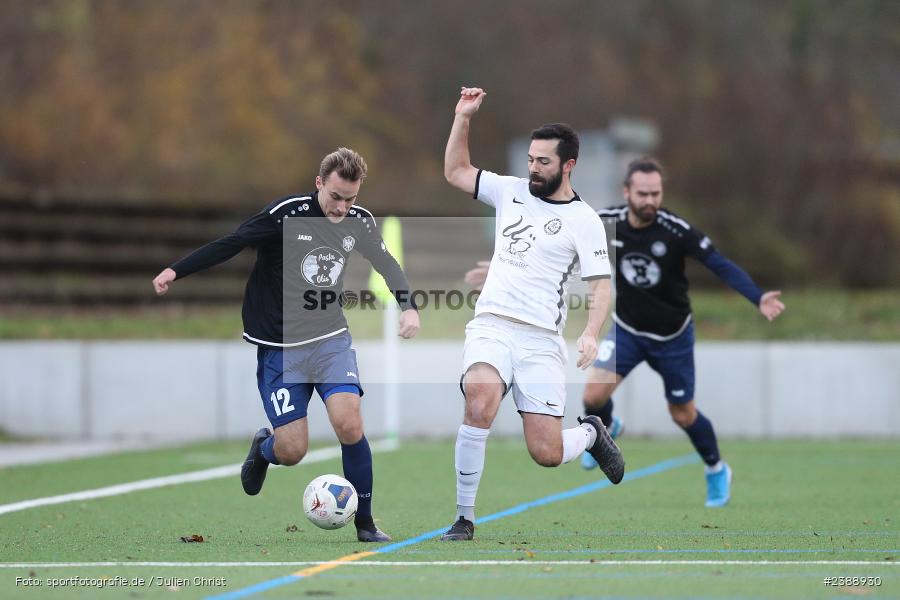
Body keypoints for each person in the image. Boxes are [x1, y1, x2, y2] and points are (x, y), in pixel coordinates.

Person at [152, 147, 420, 541]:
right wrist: (177, 270)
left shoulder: (359, 222)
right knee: (293, 450)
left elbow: (387, 263)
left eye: (351, 199)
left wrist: (408, 307)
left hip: (330, 340)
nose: (342, 207)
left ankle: (365, 523)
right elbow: (231, 242)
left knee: (349, 422)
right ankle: (264, 449)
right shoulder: (286, 214)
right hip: (279, 346)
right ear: (319, 184)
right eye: (336, 197)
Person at [440, 86, 625, 542]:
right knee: (479, 400)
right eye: (530, 159)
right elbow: (457, 171)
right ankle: (464, 519)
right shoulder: (510, 191)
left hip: (542, 340)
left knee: (545, 452)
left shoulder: (584, 220)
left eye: (543, 162)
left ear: (569, 165)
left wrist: (590, 333)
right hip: (493, 325)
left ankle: (590, 434)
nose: (533, 168)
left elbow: (602, 286)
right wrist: (463, 117)